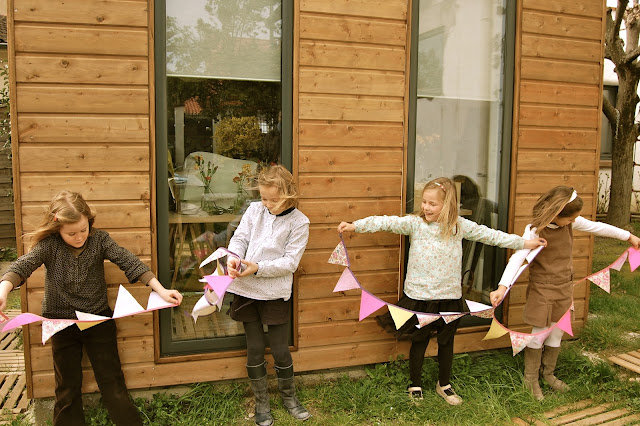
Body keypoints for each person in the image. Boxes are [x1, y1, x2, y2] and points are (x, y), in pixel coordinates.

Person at [337, 177, 546, 405]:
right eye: (424, 202)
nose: (426, 207)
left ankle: (443, 384)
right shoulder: (415, 224)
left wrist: (524, 244)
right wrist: (355, 225)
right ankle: (414, 383)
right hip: (419, 297)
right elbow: (386, 222)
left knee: (447, 343)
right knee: (419, 341)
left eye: (432, 204)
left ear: (447, 205)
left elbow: (492, 235)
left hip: (449, 298)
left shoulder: (459, 226)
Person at [0, 191, 183, 426]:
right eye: (71, 233)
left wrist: (159, 289)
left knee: (113, 382)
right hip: (60, 324)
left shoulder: (100, 240)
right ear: (57, 229)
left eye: (83, 229)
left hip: (98, 320)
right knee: (66, 388)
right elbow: (22, 265)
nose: (79, 237)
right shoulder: (48, 246)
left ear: (89, 220)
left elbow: (128, 260)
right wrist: (4, 290)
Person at [490, 185, 640, 400]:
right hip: (543, 288)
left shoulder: (571, 221)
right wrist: (502, 286)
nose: (573, 222)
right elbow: (517, 258)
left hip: (564, 286)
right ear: (556, 214)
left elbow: (597, 227)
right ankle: (530, 378)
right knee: (539, 331)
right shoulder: (534, 230)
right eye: (570, 219)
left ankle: (548, 373)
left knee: (558, 329)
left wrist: (628, 236)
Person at [225, 165, 310, 425]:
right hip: (245, 289)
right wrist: (234, 257)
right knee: (255, 347)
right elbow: (239, 238)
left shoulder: (300, 222)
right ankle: (262, 402)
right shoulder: (254, 210)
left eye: (274, 199)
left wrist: (258, 268)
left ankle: (289, 398)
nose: (268, 204)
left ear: (290, 194)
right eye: (264, 198)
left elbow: (290, 263)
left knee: (281, 348)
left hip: (275, 293)